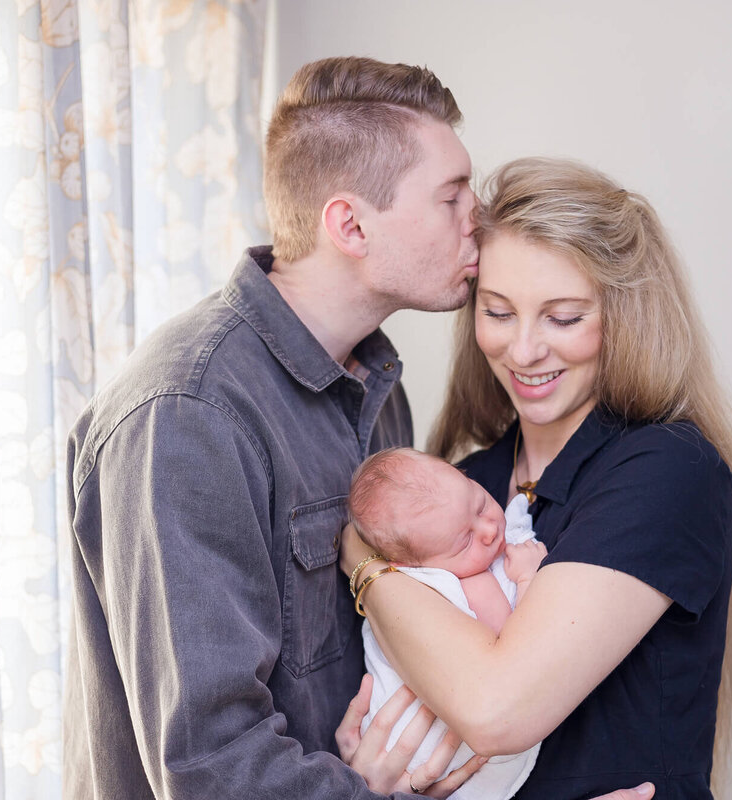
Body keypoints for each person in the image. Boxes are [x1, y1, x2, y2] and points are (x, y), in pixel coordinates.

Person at [63, 53, 655, 800]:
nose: (476, 214)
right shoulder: (188, 415)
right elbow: (213, 768)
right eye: (449, 196)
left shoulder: (374, 388)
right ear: (349, 223)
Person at [341, 157, 732, 799]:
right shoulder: (467, 483)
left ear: (623, 318)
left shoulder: (667, 472)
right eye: (499, 311)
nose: (524, 350)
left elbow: (494, 709)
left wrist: (361, 559)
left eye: (564, 318)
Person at [347, 447, 546, 799]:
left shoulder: (429, 551)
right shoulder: (467, 584)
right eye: (465, 540)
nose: (488, 529)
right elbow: (518, 650)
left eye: (480, 504)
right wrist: (530, 579)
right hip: (426, 751)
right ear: (409, 564)